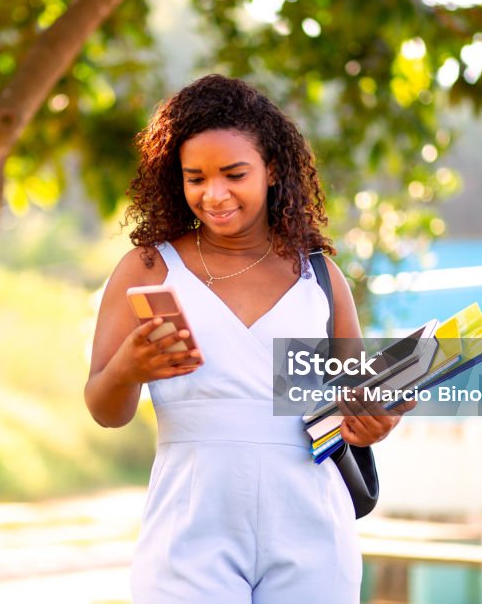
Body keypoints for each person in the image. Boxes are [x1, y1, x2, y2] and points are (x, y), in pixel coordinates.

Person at [84, 74, 413, 603]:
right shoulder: (148, 268)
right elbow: (105, 409)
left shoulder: (321, 279)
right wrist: (128, 368)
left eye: (234, 174)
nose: (214, 195)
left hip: (311, 527)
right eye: (195, 178)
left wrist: (372, 422)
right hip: (189, 531)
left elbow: (347, 408)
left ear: (273, 169)